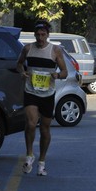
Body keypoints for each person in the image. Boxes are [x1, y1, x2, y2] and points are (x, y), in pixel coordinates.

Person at [17, 20, 68, 176]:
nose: (40, 38)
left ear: (47, 35)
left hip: (47, 93)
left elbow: (65, 71)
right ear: (34, 34)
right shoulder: (27, 48)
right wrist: (22, 72)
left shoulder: (55, 51)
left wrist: (57, 75)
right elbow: (19, 64)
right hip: (31, 91)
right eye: (38, 35)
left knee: (45, 128)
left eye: (43, 35)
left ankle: (42, 162)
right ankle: (30, 155)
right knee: (31, 124)